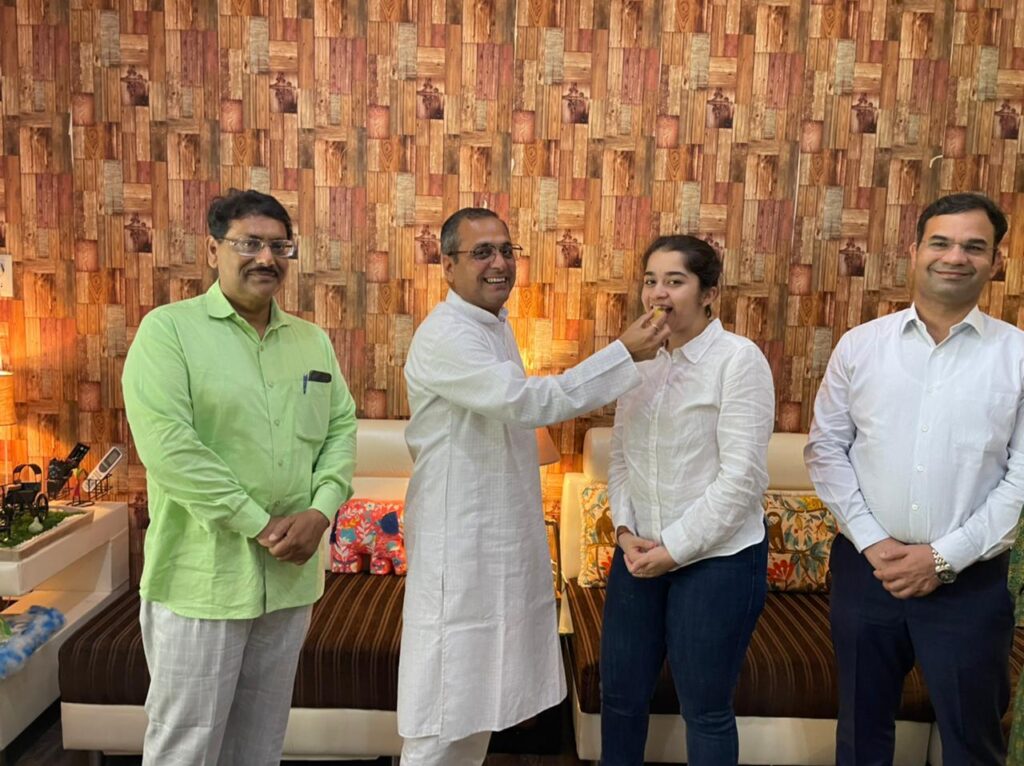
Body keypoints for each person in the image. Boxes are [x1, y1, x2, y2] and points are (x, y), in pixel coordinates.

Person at [398, 207, 671, 766]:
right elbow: (526, 403)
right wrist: (621, 354)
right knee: (444, 710)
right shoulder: (447, 334)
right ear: (447, 265)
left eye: (506, 250)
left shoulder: (494, 326)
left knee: (474, 706)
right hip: (458, 544)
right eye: (482, 252)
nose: (499, 263)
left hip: (490, 541)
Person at [122, 189, 357, 765]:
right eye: (249, 243)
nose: (266, 258)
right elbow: (171, 450)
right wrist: (261, 524)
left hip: (289, 583)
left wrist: (321, 511)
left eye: (279, 246)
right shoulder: (168, 331)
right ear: (213, 250)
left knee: (259, 745)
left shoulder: (311, 340)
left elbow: (340, 430)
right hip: (202, 580)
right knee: (186, 748)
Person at [805, 192, 1024, 765]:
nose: (955, 256)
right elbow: (826, 451)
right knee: (860, 737)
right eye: (941, 242)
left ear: (995, 262)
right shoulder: (860, 346)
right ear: (915, 251)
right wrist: (874, 543)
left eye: (974, 246)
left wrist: (943, 558)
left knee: (972, 742)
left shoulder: (1018, 356)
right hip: (865, 572)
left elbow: (1021, 479)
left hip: (971, 584)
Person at [600, 235, 775, 765]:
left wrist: (674, 549)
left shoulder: (738, 360)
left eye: (675, 281)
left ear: (709, 294)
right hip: (638, 553)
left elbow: (742, 478)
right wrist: (624, 532)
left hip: (717, 560)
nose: (658, 293)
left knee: (705, 707)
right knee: (620, 697)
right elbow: (621, 458)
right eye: (651, 280)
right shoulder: (638, 362)